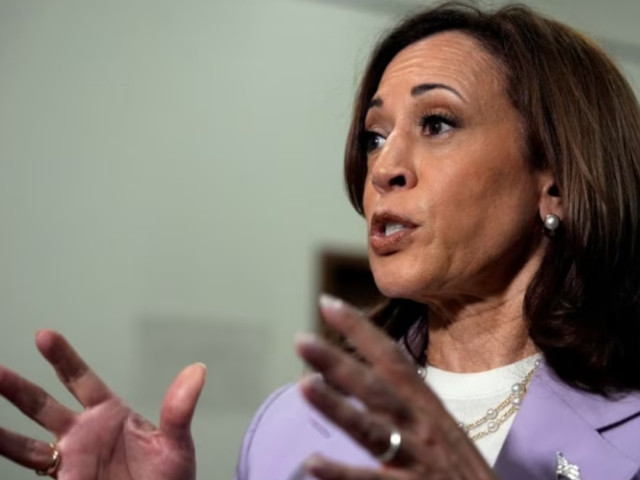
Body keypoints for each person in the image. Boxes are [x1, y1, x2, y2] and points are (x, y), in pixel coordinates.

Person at [2, 2, 640, 479]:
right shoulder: (288, 424)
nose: (384, 167)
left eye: (437, 122)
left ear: (554, 183)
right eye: (374, 136)